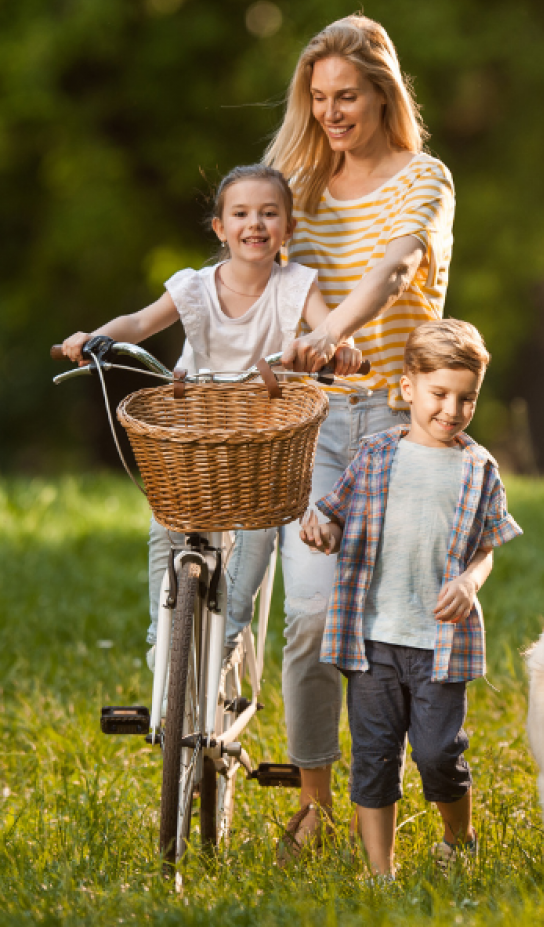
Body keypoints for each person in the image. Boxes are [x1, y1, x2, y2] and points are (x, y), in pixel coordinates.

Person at [262, 13, 456, 860]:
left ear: (383, 93)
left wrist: (331, 329)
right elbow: (248, 269)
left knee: (399, 634)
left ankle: (437, 803)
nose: (333, 112)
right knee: (308, 618)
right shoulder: (294, 187)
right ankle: (312, 802)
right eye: (319, 98)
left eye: (348, 95)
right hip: (309, 424)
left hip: (393, 429)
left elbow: (393, 268)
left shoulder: (426, 178)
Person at [58, 164, 363, 667]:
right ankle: (163, 636)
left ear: (288, 228)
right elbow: (138, 322)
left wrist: (340, 346)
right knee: (168, 517)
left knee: (260, 525)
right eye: (241, 213)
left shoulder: (296, 284)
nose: (255, 224)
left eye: (269, 214)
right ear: (221, 228)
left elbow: (325, 326)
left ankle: (228, 634)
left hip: (264, 428)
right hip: (198, 420)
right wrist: (95, 337)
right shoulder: (196, 287)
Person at [299, 319, 521, 876]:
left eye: (465, 398)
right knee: (372, 759)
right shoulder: (375, 456)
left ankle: (458, 836)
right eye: (439, 394)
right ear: (407, 387)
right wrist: (320, 529)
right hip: (371, 640)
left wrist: (470, 582)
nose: (451, 409)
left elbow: (488, 548)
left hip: (440, 643)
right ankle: (381, 875)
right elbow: (326, 514)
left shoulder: (478, 467)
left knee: (438, 754)